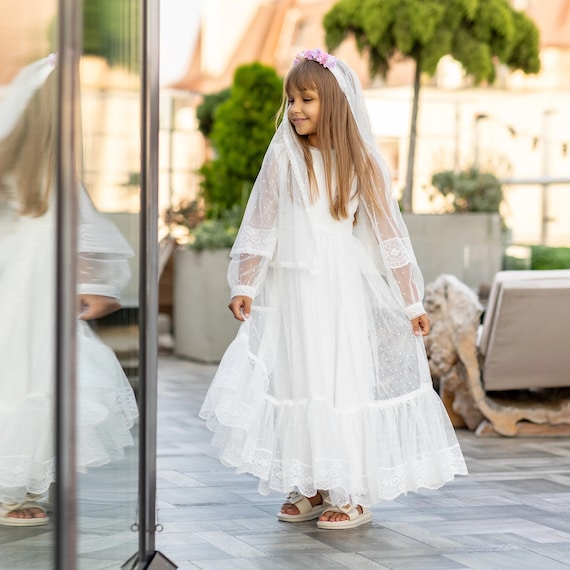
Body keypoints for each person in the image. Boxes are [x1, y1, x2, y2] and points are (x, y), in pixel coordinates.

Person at [199, 49, 467, 529]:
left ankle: (352, 490)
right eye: (292, 99)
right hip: (293, 291)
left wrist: (410, 301)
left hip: (339, 290)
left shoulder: (360, 160)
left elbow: (390, 235)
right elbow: (261, 223)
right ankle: (313, 483)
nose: (296, 108)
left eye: (308, 99)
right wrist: (246, 282)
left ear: (336, 104)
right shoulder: (285, 155)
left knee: (340, 381)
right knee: (300, 379)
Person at [0, 56, 138, 526]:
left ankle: (29, 483)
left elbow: (82, 232)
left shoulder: (58, 174)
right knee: (13, 379)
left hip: (43, 302)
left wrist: (92, 284)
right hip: (9, 299)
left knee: (41, 383)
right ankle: (11, 487)